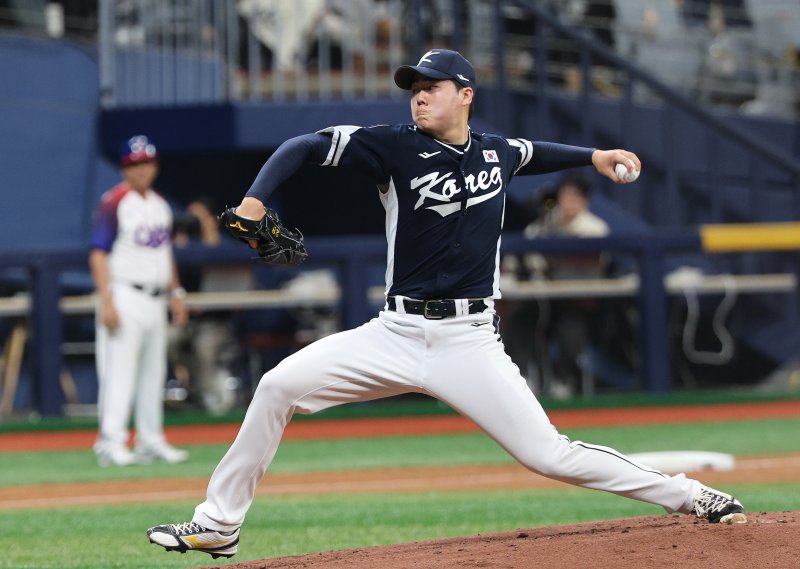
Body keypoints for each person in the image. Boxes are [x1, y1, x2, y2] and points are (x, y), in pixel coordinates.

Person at [146, 49, 746, 559]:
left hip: (469, 341)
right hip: (395, 332)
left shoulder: (496, 152)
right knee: (278, 387)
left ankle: (689, 495)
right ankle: (220, 525)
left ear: (465, 95)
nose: (418, 98)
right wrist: (253, 204)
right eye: (413, 89)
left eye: (431, 88)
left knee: (550, 455)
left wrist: (593, 157)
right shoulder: (394, 149)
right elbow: (304, 145)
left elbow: (534, 151)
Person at [89, 135, 190, 467]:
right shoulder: (114, 201)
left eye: (146, 162)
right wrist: (106, 300)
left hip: (155, 296)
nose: (141, 169)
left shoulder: (160, 204)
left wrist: (176, 294)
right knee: (119, 371)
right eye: (134, 163)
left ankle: (150, 440)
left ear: (155, 166)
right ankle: (111, 441)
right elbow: (98, 254)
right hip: (124, 292)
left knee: (152, 372)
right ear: (124, 168)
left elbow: (165, 254)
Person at [502, 172, 610, 397]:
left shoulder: (594, 228)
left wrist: (551, 258)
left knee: (570, 332)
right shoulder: (544, 223)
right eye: (566, 196)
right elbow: (524, 254)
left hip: (577, 302)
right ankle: (525, 376)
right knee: (518, 319)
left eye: (575, 197)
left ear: (584, 200)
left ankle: (565, 380)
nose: (569, 201)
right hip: (544, 298)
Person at [169, 198, 251, 415]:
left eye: (198, 218)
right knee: (168, 341)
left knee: (204, 348)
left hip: (216, 321)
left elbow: (242, 287)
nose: (193, 223)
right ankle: (196, 392)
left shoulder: (226, 249)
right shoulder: (181, 250)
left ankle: (215, 400)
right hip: (185, 319)